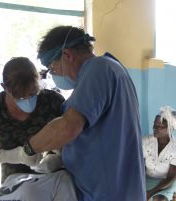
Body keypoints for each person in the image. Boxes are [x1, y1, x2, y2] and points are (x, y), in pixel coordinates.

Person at [21, 25, 146, 201]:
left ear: (67, 55)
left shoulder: (98, 68)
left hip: (108, 194)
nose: (55, 75)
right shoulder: (113, 69)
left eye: (53, 68)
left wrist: (28, 149)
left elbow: (68, 127)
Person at [0, 57, 77, 201]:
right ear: (4, 87)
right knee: (29, 193)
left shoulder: (52, 101)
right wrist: (7, 156)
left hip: (54, 181)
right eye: (19, 96)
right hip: (15, 188)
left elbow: (77, 141)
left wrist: (59, 158)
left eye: (32, 93)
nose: (27, 99)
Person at [143, 106, 176, 201]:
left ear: (171, 128)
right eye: (154, 125)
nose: (155, 128)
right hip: (148, 179)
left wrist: (150, 193)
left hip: (168, 182)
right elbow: (140, 167)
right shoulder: (145, 141)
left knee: (159, 199)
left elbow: (171, 177)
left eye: (160, 127)